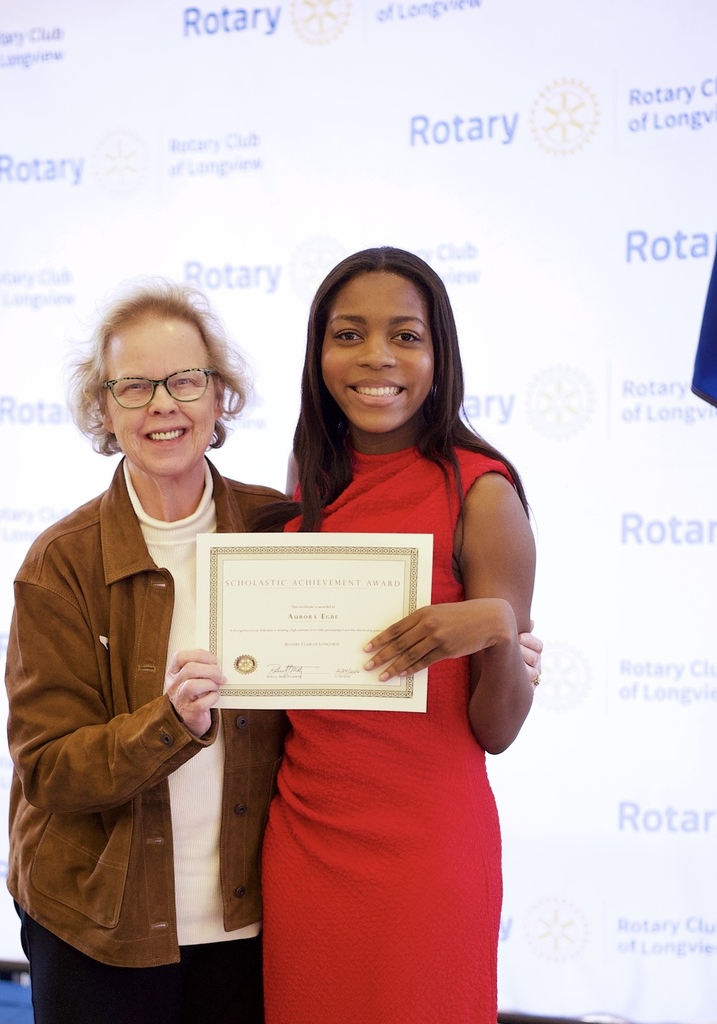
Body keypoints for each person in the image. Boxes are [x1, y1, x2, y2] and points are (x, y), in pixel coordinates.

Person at [259, 246, 538, 1023]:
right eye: (348, 334)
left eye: (406, 336)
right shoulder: (309, 474)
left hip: (426, 849)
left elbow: (499, 728)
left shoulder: (482, 492)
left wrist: (497, 627)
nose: (376, 357)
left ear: (439, 353)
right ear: (318, 354)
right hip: (304, 839)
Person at [4, 278, 288, 1024]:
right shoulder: (61, 562)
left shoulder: (282, 530)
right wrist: (170, 723)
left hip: (254, 924)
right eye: (134, 387)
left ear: (219, 397)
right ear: (103, 409)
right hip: (99, 927)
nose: (163, 404)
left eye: (185, 381)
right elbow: (49, 769)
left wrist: (481, 643)